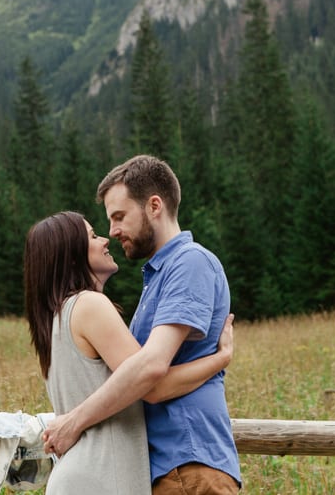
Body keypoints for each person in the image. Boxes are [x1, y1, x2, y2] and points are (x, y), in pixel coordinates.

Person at [42, 155, 241, 494]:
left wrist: (74, 421)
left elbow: (150, 373)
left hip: (188, 465)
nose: (112, 231)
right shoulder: (158, 278)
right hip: (171, 468)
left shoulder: (189, 263)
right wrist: (219, 359)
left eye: (119, 216)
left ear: (154, 206)